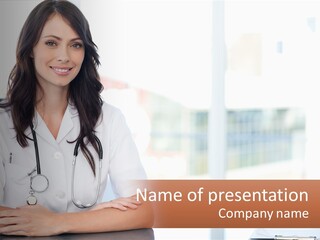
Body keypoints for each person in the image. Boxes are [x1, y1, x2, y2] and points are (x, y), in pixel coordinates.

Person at [0, 0, 153, 237]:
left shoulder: (109, 120)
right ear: (30, 48)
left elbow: (145, 208)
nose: (64, 56)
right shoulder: (2, 121)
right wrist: (96, 218)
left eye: (76, 45)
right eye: (51, 43)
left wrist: (57, 222)